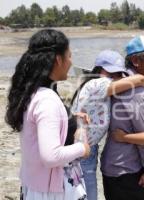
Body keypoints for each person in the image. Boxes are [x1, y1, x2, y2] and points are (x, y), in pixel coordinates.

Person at [5, 29, 91, 200]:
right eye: (69, 56)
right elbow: (51, 156)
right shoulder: (47, 100)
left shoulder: (33, 93)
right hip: (53, 192)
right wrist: (83, 148)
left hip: (35, 185)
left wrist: (72, 119)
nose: (71, 62)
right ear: (58, 59)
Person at [70, 49, 144, 200]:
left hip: (83, 150)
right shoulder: (99, 83)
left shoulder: (90, 85)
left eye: (119, 74)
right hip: (82, 152)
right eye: (112, 73)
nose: (117, 78)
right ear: (100, 70)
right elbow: (139, 80)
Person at [100, 36, 144, 200]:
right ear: (135, 61)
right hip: (127, 170)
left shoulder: (123, 81)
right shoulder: (136, 92)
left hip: (115, 165)